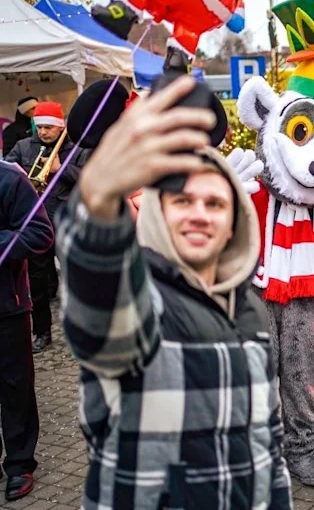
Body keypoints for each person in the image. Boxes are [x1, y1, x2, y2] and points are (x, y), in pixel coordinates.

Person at [55, 76, 292, 510]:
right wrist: (101, 194)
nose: (200, 214)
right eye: (182, 201)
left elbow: (266, 442)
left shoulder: (249, 313)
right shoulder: (137, 304)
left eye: (215, 203)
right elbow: (95, 291)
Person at [5, 102, 91, 352]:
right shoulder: (23, 146)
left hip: (68, 222)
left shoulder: (77, 148)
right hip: (36, 224)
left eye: (48, 128)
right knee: (38, 284)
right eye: (39, 127)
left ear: (60, 127)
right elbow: (9, 172)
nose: (43, 132)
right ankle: (41, 332)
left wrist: (61, 170)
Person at [0, 160, 53, 502]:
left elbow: (40, 233)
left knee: (15, 386)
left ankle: (19, 464)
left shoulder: (10, 179)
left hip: (7, 306)